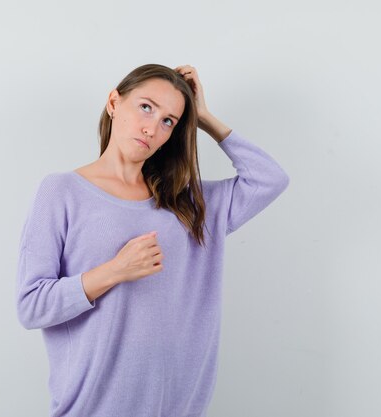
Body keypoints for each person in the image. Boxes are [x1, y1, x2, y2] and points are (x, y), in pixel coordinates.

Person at [16, 63, 290, 417]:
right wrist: (115, 271)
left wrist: (203, 117)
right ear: (114, 103)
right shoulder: (61, 192)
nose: (152, 127)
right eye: (146, 106)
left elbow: (270, 180)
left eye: (169, 121)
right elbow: (31, 305)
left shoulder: (189, 205)